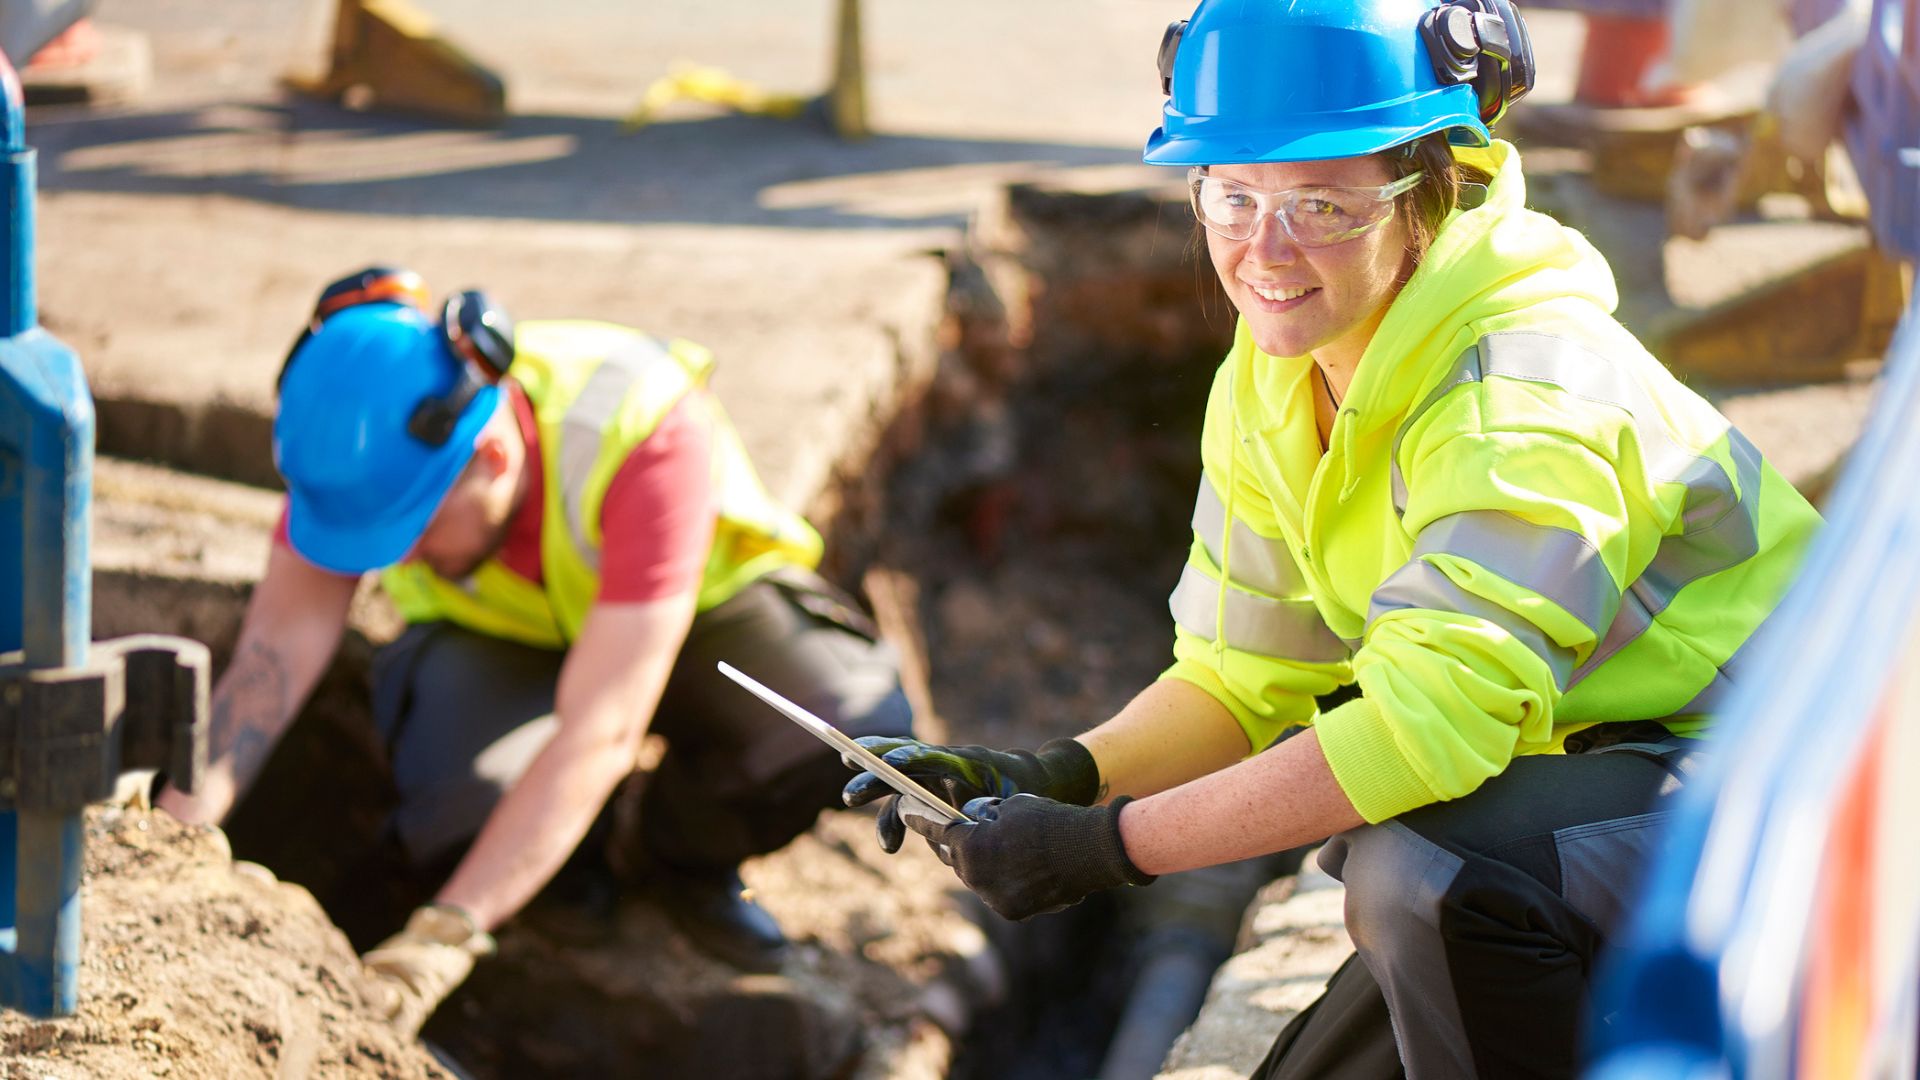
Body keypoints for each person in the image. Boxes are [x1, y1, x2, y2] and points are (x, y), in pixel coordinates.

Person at [842, 1, 1822, 1076]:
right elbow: (1240, 675)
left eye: (1323, 204)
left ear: (1432, 190)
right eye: (1233, 193)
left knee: (1422, 874)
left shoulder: (1524, 394)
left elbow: (1421, 736)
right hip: (1593, 796)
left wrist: (1107, 850)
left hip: (1800, 800)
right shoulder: (1279, 372)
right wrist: (1061, 773)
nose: (1266, 249)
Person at [157, 267, 912, 1036]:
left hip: (691, 627)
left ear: (487, 455)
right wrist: (168, 843)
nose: (399, 558)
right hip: (504, 643)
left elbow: (602, 729)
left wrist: (445, 933)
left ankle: (674, 855)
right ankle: (563, 877)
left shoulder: (637, 424)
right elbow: (271, 657)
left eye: (410, 533)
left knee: (839, 723)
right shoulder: (361, 455)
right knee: (460, 796)